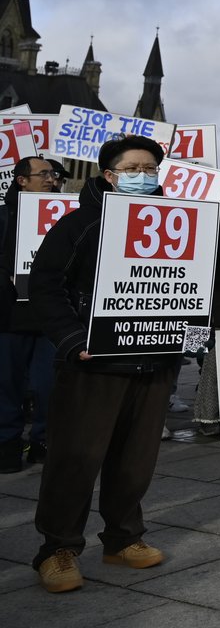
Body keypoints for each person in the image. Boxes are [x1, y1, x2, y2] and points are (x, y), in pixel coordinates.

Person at [29, 136, 175, 593]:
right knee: (75, 461)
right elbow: (46, 286)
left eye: (151, 168)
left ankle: (123, 538)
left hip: (153, 362)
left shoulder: (179, 224)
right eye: (133, 168)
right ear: (110, 175)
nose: (144, 175)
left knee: (136, 462)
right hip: (92, 366)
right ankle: (57, 549)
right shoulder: (79, 225)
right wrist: (73, 341)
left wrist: (184, 339)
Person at [1, 155, 62, 473]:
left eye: (53, 174)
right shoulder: (3, 216)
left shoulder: (66, 216)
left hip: (49, 319)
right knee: (6, 386)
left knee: (48, 385)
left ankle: (43, 442)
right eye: (43, 174)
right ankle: (7, 446)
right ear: (22, 180)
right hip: (9, 317)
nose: (51, 179)